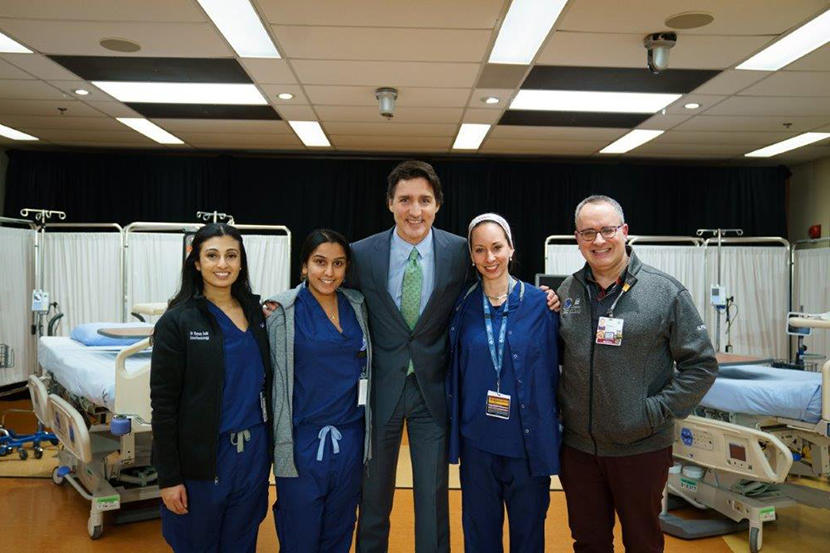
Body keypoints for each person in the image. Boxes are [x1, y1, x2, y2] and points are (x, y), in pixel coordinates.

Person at [557, 195, 718, 553]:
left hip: (640, 449)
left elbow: (701, 365)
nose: (598, 241)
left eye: (607, 230)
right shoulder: (568, 291)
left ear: (624, 232)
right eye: (588, 233)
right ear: (577, 238)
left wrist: (652, 412)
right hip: (579, 451)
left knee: (643, 543)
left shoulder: (665, 292)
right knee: (588, 542)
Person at [350, 160, 468, 553]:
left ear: (437, 205)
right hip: (381, 388)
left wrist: (544, 298)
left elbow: (493, 282)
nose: (414, 210)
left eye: (424, 200)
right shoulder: (361, 254)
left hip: (431, 390)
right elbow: (329, 294)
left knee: (433, 498)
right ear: (389, 203)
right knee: (373, 496)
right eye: (405, 200)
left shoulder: (459, 252)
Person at [151, 223, 272, 553]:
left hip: (253, 453)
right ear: (196, 262)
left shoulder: (258, 316)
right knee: (197, 543)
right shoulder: (178, 322)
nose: (223, 264)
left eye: (231, 255)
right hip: (202, 459)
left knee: (242, 541)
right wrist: (169, 477)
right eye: (212, 255)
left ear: (241, 262)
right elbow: (163, 406)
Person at [447, 214, 561, 553]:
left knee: (528, 539)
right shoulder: (461, 307)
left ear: (511, 249)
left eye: (497, 247)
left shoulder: (543, 305)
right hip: (477, 444)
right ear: (471, 256)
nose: (490, 258)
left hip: (527, 448)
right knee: (480, 539)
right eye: (480, 250)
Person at [266, 229, 372, 553]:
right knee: (300, 535)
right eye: (320, 262)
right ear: (304, 266)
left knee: (340, 531)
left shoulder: (358, 307)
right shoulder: (282, 313)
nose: (329, 272)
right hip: (303, 444)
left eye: (338, 263)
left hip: (351, 439)